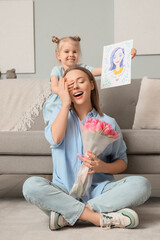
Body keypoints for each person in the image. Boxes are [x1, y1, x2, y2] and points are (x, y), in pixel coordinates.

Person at [23, 66, 151, 231]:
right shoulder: (59, 117)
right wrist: (65, 104)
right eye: (69, 84)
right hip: (63, 190)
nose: (75, 86)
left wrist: (101, 166)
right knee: (30, 186)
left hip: (100, 190)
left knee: (142, 185)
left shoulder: (109, 123)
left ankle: (67, 215)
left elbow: (122, 162)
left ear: (91, 85)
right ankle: (97, 217)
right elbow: (55, 139)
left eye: (80, 81)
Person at [43, 35, 137, 125]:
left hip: (76, 104)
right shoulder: (57, 70)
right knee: (60, 121)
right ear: (58, 55)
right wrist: (63, 90)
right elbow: (54, 87)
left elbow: (103, 70)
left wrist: (125, 59)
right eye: (67, 51)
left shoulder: (82, 69)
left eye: (74, 52)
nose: (71, 54)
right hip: (59, 102)